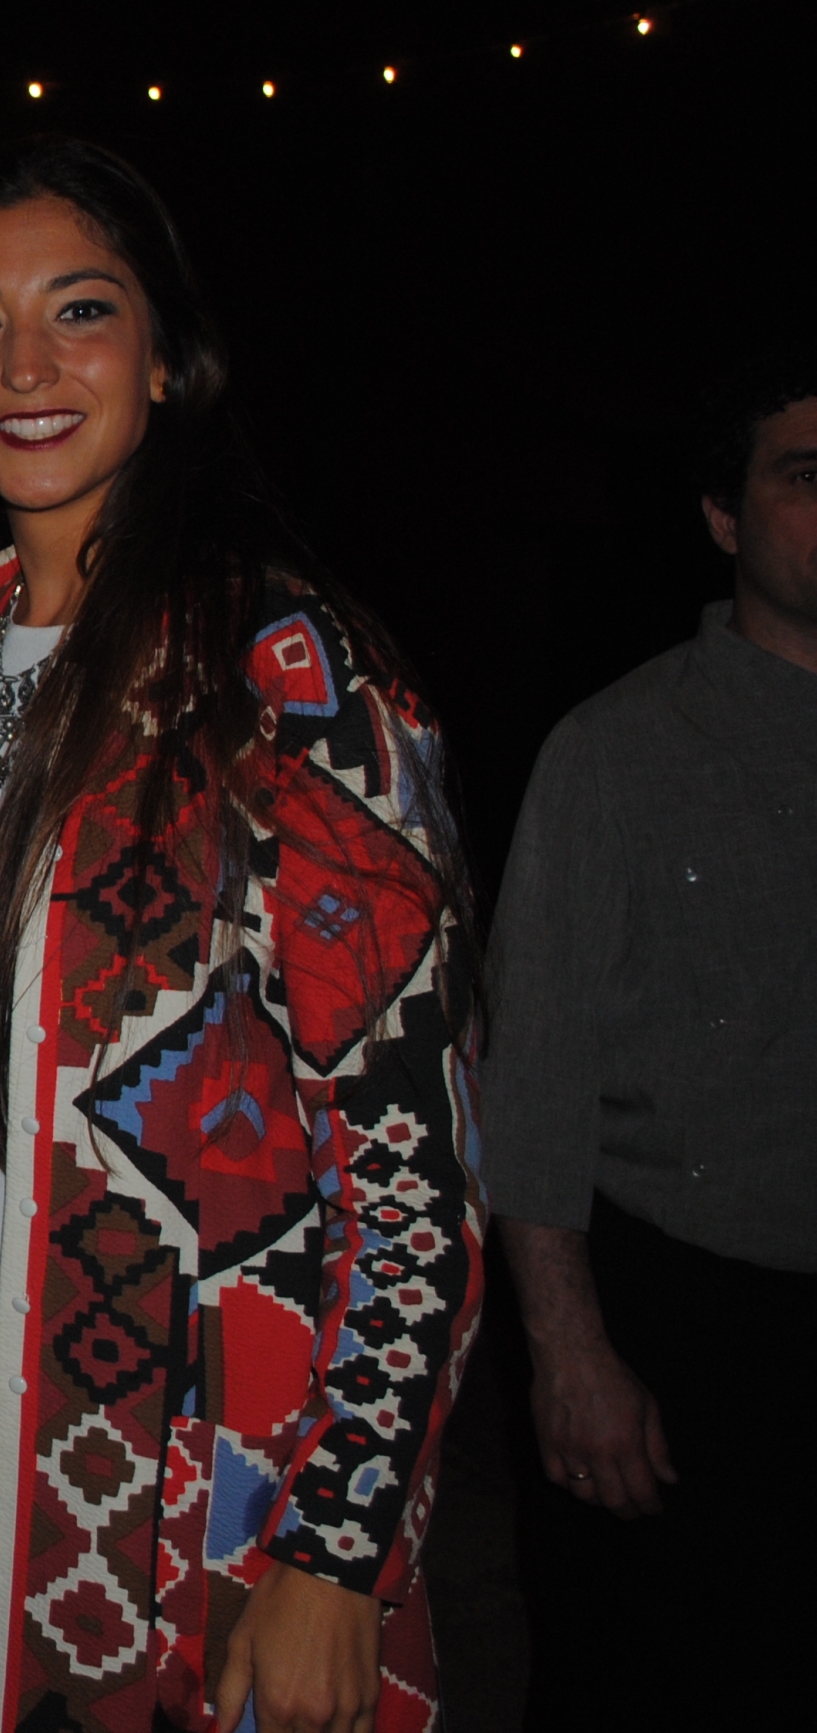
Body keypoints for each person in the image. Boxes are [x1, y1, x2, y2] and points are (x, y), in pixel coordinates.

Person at [0, 140, 481, 1733]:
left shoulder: (285, 668)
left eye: (81, 310)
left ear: (169, 355)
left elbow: (415, 1158)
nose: (29, 365)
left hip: (191, 1456)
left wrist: (338, 1554)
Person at [487, 353, 817, 1727]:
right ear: (726, 518)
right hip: (689, 1331)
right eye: (807, 475)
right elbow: (533, 1073)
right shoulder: (619, 749)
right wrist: (571, 1353)